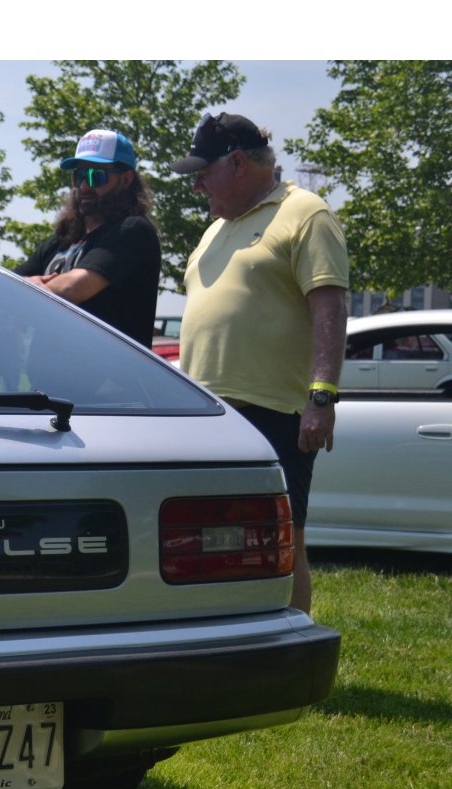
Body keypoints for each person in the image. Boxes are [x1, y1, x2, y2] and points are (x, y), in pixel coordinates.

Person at [172, 112, 349, 614]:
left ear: (238, 162)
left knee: (283, 540)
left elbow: (330, 307)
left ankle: (292, 646)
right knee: (209, 543)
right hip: (207, 417)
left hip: (273, 413)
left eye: (203, 173)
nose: (197, 186)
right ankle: (227, 639)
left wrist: (322, 397)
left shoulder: (305, 213)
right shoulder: (214, 230)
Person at [16, 128, 161, 347]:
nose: (84, 186)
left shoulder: (132, 231)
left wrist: (26, 286)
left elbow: (71, 289)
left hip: (106, 368)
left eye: (96, 176)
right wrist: (30, 285)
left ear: (126, 179)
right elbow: (4, 286)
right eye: (79, 176)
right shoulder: (63, 240)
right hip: (49, 367)